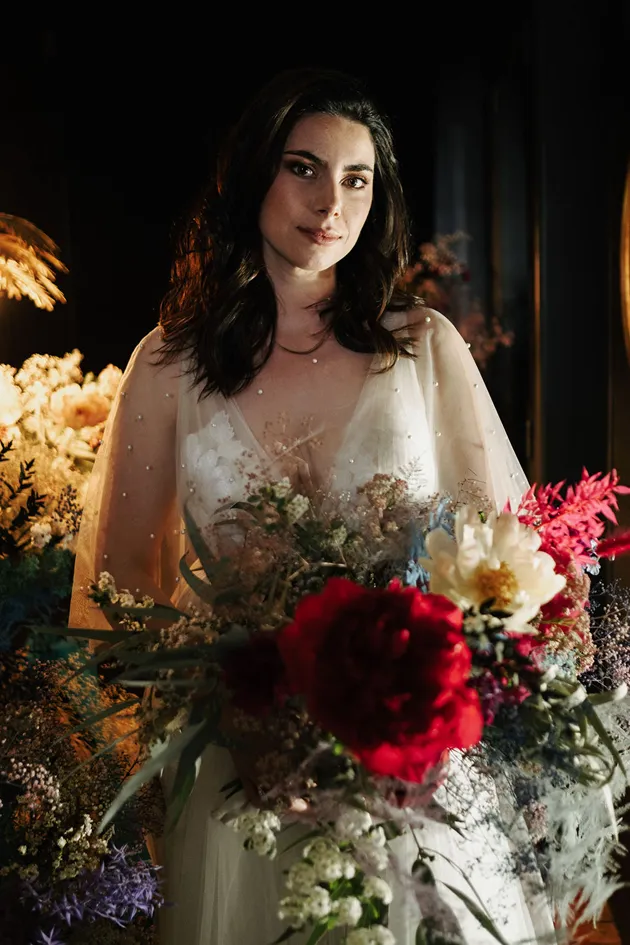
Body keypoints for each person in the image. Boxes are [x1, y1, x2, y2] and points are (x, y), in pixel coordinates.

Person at [70, 68, 556, 944]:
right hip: (238, 774)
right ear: (254, 172)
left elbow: (504, 556)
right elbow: (120, 598)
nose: (331, 200)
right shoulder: (168, 366)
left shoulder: (423, 348)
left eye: (357, 178)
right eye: (304, 167)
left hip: (411, 761)